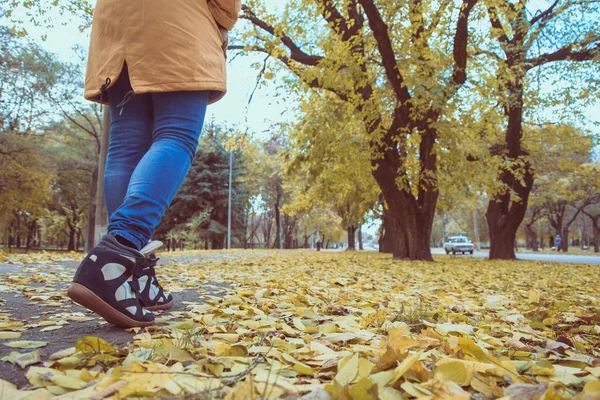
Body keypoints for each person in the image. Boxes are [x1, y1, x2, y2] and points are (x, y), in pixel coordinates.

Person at [67, 0, 241, 328]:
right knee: (176, 136)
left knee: (123, 150)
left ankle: (135, 277)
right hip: (176, 22)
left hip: (116, 24)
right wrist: (224, 22)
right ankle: (114, 257)